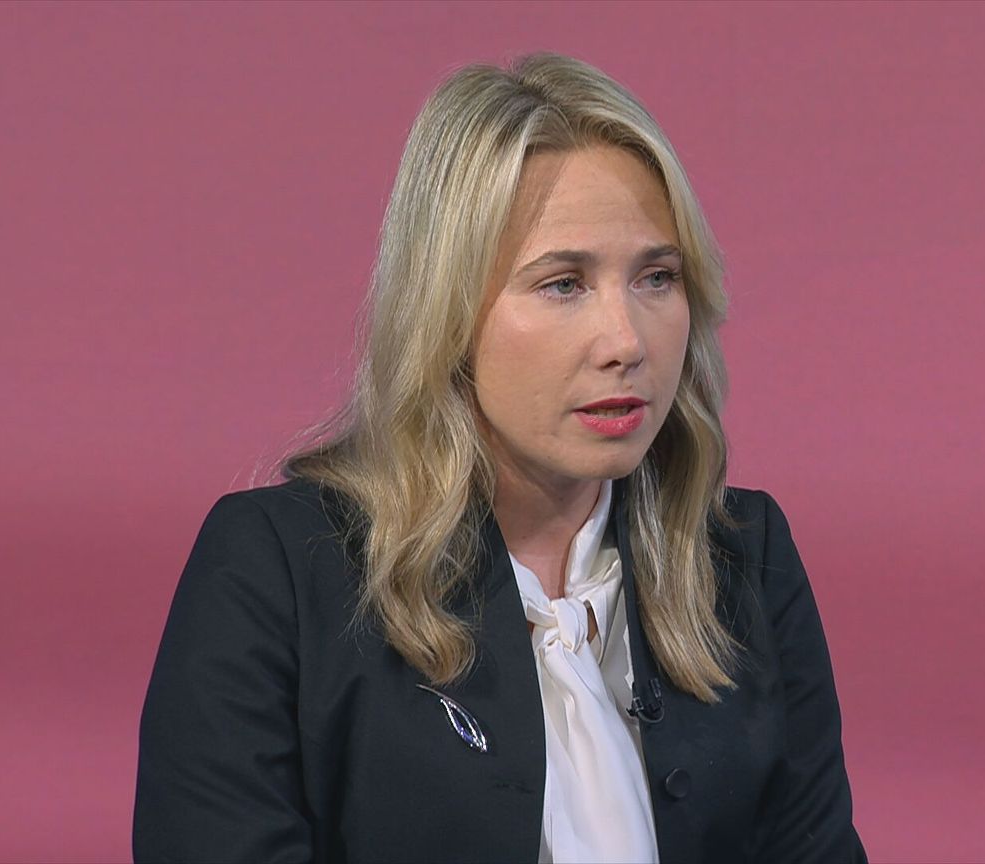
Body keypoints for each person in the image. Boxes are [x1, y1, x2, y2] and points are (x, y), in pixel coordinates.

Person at [133, 51, 865, 864]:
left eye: (657, 277)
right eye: (563, 284)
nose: (626, 341)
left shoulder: (743, 564)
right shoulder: (275, 572)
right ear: (446, 312)